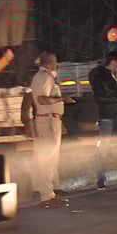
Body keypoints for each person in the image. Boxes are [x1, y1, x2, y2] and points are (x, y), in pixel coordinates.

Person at [30, 52, 75, 208]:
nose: (57, 65)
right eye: (55, 62)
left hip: (48, 119)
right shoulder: (46, 77)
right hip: (48, 120)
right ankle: (47, 196)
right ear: (49, 62)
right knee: (48, 159)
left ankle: (47, 188)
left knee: (48, 158)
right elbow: (42, 99)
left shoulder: (39, 77)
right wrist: (62, 99)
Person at [89, 52, 117, 190]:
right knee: (104, 147)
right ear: (114, 62)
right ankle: (101, 178)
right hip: (107, 116)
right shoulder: (101, 76)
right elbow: (100, 98)